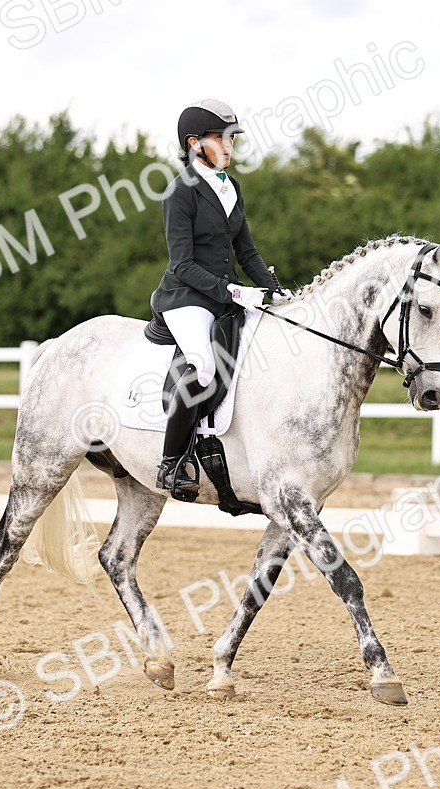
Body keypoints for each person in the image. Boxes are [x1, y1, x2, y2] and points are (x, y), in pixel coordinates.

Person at [150, 99, 287, 499]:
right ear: (195, 144)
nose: (230, 147)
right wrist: (232, 290)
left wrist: (275, 289)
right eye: (221, 139)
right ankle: (171, 464)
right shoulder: (180, 193)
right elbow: (182, 263)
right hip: (186, 298)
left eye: (232, 139)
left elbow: (247, 252)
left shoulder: (232, 188)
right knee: (204, 365)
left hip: (226, 297)